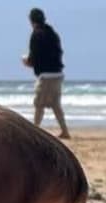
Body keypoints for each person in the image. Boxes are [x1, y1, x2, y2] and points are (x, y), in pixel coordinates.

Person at [21, 7, 70, 139]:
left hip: (46, 75)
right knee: (55, 104)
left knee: (39, 104)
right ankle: (64, 130)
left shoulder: (36, 34)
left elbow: (35, 57)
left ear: (32, 20)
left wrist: (27, 61)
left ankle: (34, 131)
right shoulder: (52, 33)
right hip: (58, 73)